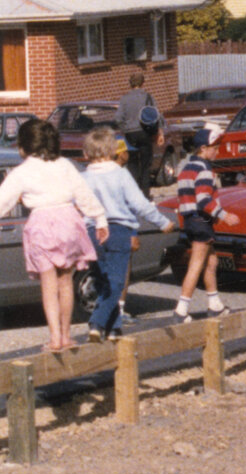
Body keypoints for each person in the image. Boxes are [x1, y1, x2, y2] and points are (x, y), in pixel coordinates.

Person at [0, 119, 107, 351]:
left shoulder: (22, 171)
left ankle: (55, 338)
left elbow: (3, 201)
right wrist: (100, 219)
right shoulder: (65, 164)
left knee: (48, 286)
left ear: (23, 147)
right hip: (69, 220)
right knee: (65, 283)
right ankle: (67, 336)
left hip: (42, 224)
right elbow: (83, 193)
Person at [82, 126, 169, 342]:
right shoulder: (120, 174)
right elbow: (139, 203)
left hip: (92, 232)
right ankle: (97, 321)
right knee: (117, 282)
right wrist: (162, 221)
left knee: (104, 279)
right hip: (118, 230)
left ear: (87, 153)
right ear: (112, 150)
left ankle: (114, 329)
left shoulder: (82, 177)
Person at [172, 136, 227, 323]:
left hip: (189, 219)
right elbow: (204, 200)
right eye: (215, 148)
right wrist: (223, 214)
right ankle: (181, 309)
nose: (217, 152)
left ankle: (215, 304)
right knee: (196, 265)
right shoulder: (204, 169)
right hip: (201, 220)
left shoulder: (186, 168)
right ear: (203, 148)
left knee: (211, 262)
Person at [115, 74, 157, 192]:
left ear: (130, 84)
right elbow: (156, 115)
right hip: (145, 133)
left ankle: (134, 192)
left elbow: (118, 118)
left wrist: (125, 129)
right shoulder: (148, 97)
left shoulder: (124, 99)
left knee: (132, 163)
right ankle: (145, 194)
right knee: (145, 165)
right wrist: (159, 132)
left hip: (130, 134)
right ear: (143, 83)